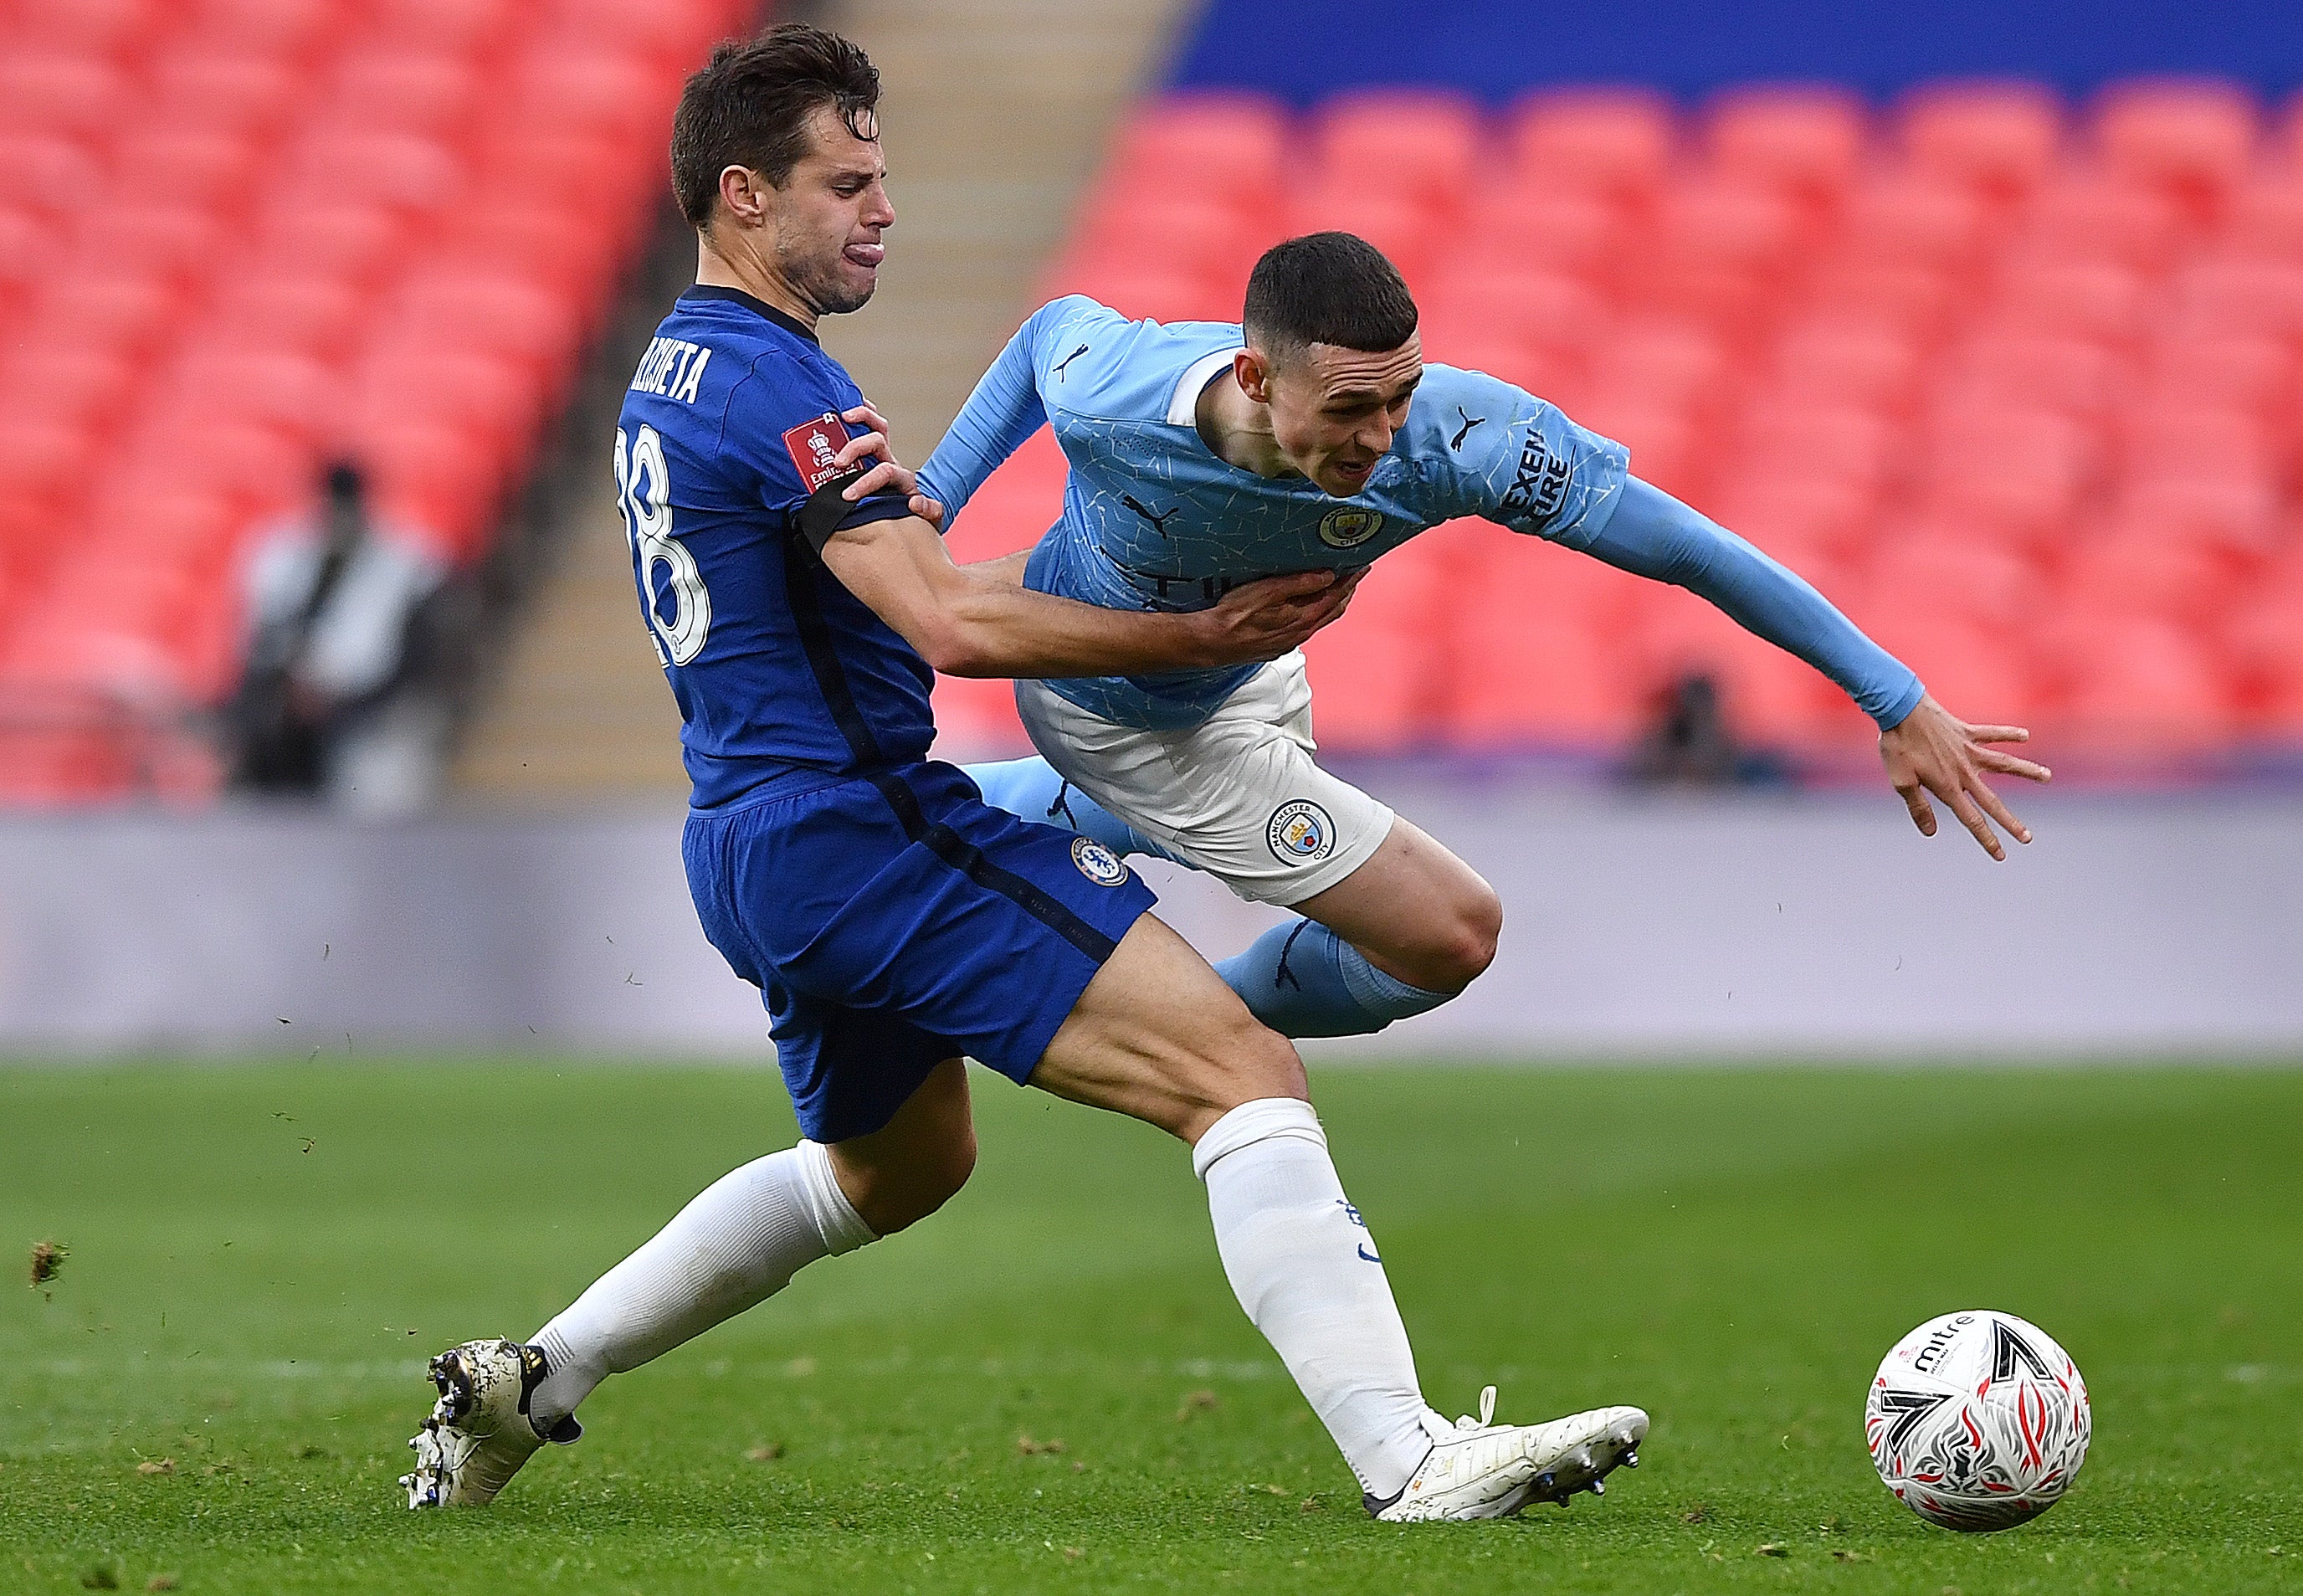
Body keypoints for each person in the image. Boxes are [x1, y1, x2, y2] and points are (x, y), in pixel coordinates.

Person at [402, 25, 1648, 1524]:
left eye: (884, 179)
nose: (881, 208)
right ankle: (1412, 1458)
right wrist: (1191, 631)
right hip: (865, 831)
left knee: (894, 1168)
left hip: (745, 841)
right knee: (1237, 1075)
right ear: (742, 195)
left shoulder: (672, 368)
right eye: (845, 182)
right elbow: (947, 613)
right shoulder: (770, 384)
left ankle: (533, 1380)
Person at [880, 233, 2052, 1040]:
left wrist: (1894, 697)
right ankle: (1161, 1022)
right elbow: (1046, 336)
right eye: (1349, 407)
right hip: (1118, 713)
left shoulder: (1460, 440)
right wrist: (934, 497)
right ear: (1252, 373)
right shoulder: (1119, 393)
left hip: (1251, 672)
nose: (1384, 437)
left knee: (1210, 815)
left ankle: (946, 828)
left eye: (1400, 394)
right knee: (1447, 934)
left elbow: (1690, 546)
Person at [225, 459, 457, 812]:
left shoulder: (406, 564)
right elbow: (262, 638)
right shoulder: (286, 555)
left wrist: (337, 696)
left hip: (367, 714)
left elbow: (410, 658)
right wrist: (293, 683)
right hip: (289, 716)